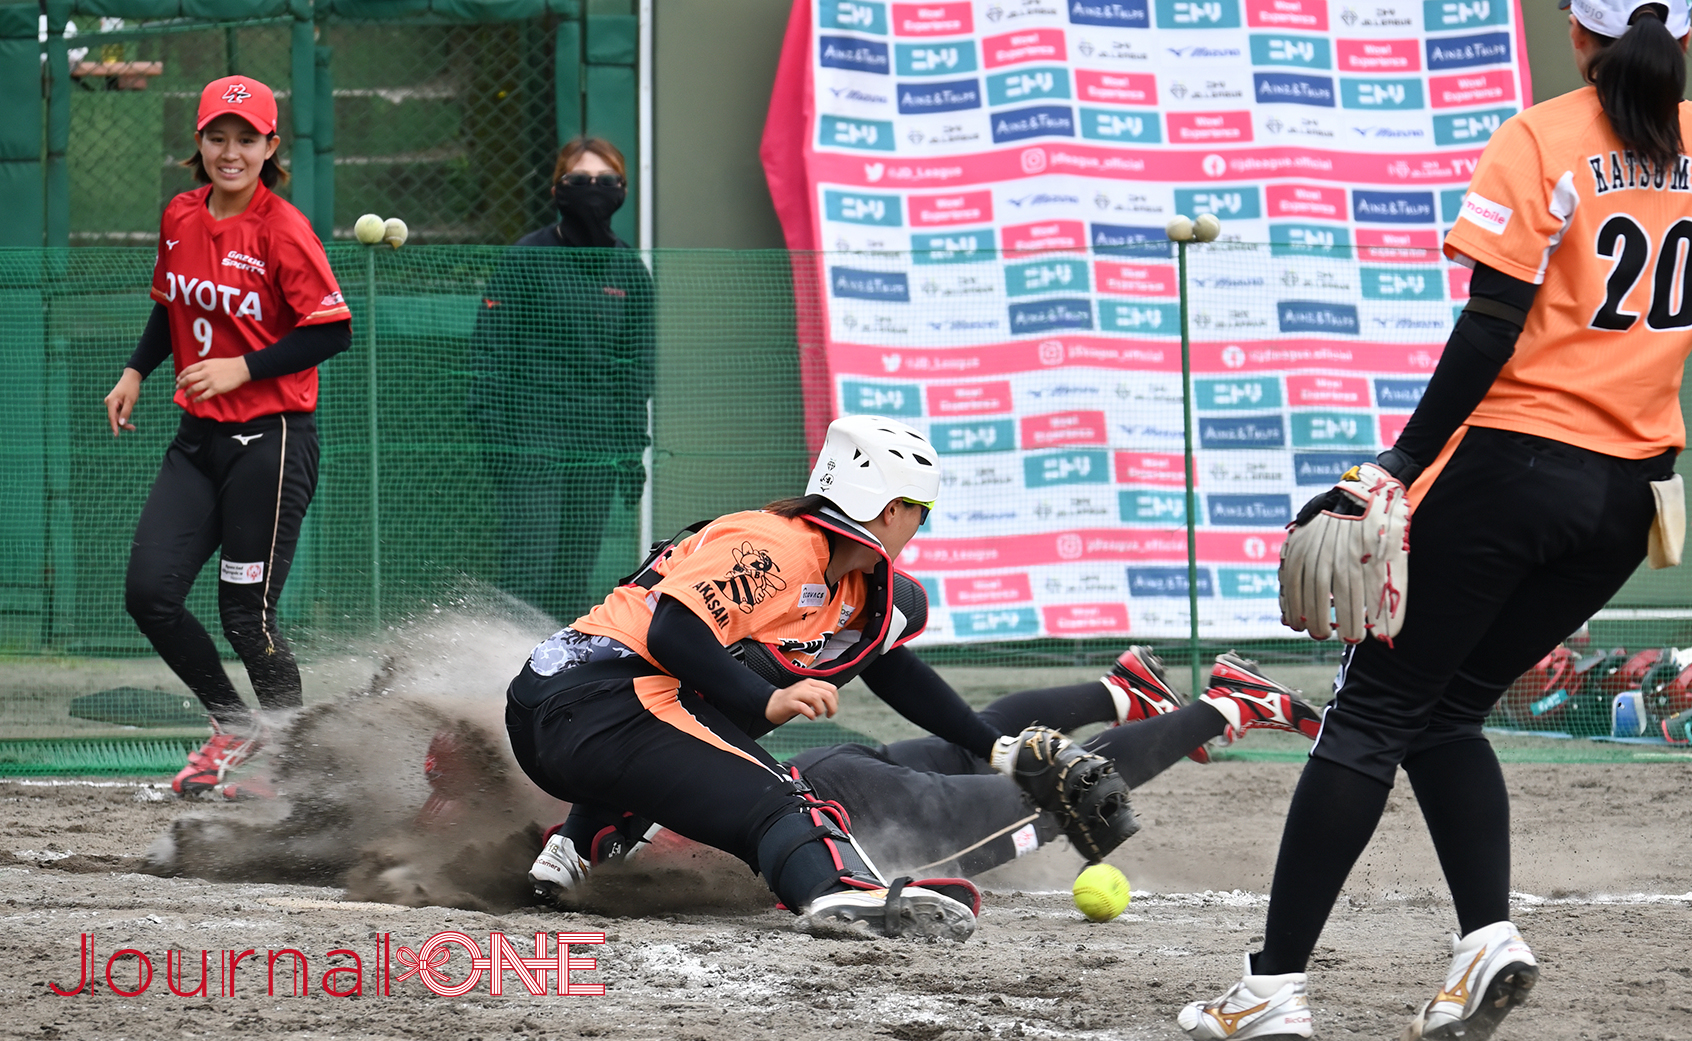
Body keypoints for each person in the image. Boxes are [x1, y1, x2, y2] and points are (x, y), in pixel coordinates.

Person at [1180, 3, 1692, 1038]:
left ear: (1578, 35)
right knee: (1448, 709)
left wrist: (1395, 465)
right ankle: (1484, 940)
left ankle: (1270, 990)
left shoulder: (1543, 136)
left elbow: (1492, 326)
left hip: (1516, 469)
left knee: (1371, 714)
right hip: (1633, 493)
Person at [506, 415, 1151, 940]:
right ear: (892, 508)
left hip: (571, 707)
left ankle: (581, 840)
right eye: (920, 510)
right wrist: (769, 696)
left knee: (724, 712)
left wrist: (992, 746)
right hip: (605, 701)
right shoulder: (784, 544)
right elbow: (673, 630)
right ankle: (837, 892)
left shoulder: (838, 575)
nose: (919, 527)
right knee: (783, 794)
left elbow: (895, 671)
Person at [509, 647, 1321, 884]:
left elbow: (588, 828)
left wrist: (566, 857)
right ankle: (1126, 689)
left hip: (846, 807)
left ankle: (1226, 705)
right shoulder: (617, 778)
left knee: (1053, 796)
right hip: (830, 774)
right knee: (984, 745)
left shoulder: (607, 808)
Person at [102, 76, 351, 800]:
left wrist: (243, 365)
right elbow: (170, 306)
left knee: (247, 613)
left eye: (247, 138)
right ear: (199, 142)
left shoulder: (282, 228)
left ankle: (288, 759)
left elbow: (332, 329)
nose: (230, 151)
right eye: (218, 136)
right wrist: (135, 370)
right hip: (196, 440)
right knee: (150, 592)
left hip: (270, 442)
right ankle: (233, 723)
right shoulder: (181, 214)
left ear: (271, 146)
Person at [469, 137, 655, 625]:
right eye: (580, 181)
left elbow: (636, 371)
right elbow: (489, 352)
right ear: (556, 189)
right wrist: (496, 437)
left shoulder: (631, 272)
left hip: (595, 445)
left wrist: (631, 449)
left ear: (623, 191)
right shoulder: (526, 257)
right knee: (527, 568)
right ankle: (497, 681)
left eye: (606, 181)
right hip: (530, 438)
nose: (593, 191)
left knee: (573, 577)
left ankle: (552, 688)